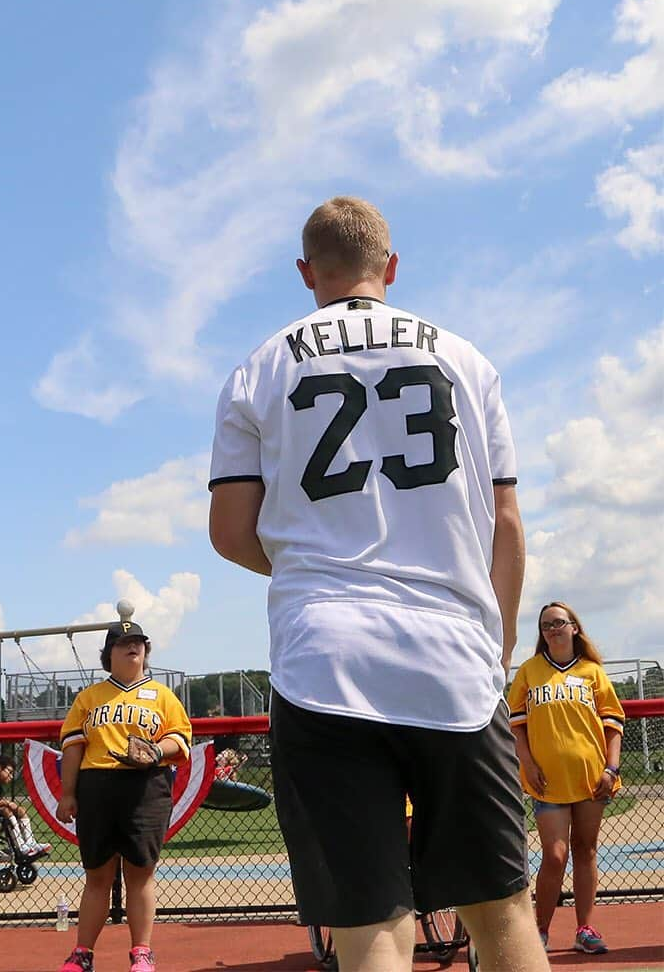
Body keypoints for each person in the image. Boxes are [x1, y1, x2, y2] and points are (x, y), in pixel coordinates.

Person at [208, 196, 547, 972]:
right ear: (391, 267)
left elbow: (230, 532)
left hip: (323, 658)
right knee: (500, 913)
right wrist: (493, 641)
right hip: (454, 654)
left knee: (370, 925)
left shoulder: (260, 365)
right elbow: (506, 524)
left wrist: (316, 569)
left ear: (306, 274)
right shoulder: (466, 359)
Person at [54, 619, 192, 972]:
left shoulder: (161, 695)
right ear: (108, 653)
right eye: (123, 642)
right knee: (97, 874)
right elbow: (72, 747)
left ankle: (141, 952)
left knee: (141, 872)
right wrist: (68, 793)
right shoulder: (89, 697)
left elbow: (180, 738)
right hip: (97, 785)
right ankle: (82, 953)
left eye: (139, 642)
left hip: (145, 785)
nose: (133, 647)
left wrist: (157, 752)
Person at [509, 602, 625, 955]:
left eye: (559, 623)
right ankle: (539, 931)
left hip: (592, 779)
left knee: (586, 851)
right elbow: (517, 725)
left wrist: (611, 768)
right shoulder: (529, 671)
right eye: (546, 625)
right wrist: (527, 763)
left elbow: (613, 723)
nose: (552, 630)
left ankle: (585, 929)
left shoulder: (592, 672)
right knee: (555, 855)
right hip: (548, 782)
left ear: (575, 627)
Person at [0, 754, 50, 858]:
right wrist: (4, 802)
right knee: (5, 809)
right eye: (9, 772)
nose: (11, 776)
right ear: (0, 768)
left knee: (21, 810)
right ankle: (21, 847)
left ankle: (30, 842)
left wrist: (12, 807)